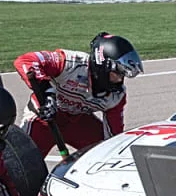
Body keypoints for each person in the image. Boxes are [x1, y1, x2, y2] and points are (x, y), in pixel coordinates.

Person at [13, 32, 144, 161]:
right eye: (118, 73)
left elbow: (114, 136)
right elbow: (26, 60)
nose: (120, 79)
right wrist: (47, 92)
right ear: (103, 66)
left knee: (107, 152)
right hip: (45, 117)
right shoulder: (70, 63)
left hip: (78, 120)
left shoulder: (116, 96)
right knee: (23, 163)